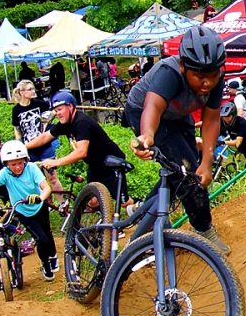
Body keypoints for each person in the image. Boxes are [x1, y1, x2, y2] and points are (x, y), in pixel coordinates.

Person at [124, 26, 229, 251]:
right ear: (183, 66)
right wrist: (147, 136)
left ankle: (144, 209)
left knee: (183, 173)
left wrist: (207, 163)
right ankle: (203, 230)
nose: (207, 83)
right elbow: (152, 106)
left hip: (180, 115)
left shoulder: (217, 76)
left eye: (212, 75)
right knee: (186, 175)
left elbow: (211, 119)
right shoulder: (168, 72)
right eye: (200, 76)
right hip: (145, 112)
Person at [0, 140, 59, 284]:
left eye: (20, 163)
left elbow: (46, 188)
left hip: (39, 207)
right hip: (22, 211)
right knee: (41, 239)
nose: (17, 167)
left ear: (25, 160)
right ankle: (45, 263)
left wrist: (39, 198)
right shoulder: (5, 174)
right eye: (13, 164)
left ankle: (53, 256)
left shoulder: (32, 168)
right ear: (6, 164)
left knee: (47, 233)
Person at [39, 91, 129, 215]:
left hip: (111, 163)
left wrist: (56, 162)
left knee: (123, 202)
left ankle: (141, 214)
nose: (57, 113)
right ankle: (106, 226)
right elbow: (45, 137)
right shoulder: (65, 124)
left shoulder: (81, 122)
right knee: (93, 200)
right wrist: (23, 147)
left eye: (60, 109)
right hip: (95, 164)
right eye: (55, 110)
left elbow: (81, 152)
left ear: (70, 106)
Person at [11, 79, 62, 192]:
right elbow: (17, 130)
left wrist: (48, 120)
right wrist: (19, 146)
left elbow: (53, 111)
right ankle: (47, 205)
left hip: (44, 145)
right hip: (30, 148)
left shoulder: (40, 104)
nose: (33, 91)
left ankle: (62, 204)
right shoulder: (16, 110)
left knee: (52, 177)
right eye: (30, 89)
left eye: (33, 88)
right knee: (39, 180)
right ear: (22, 92)